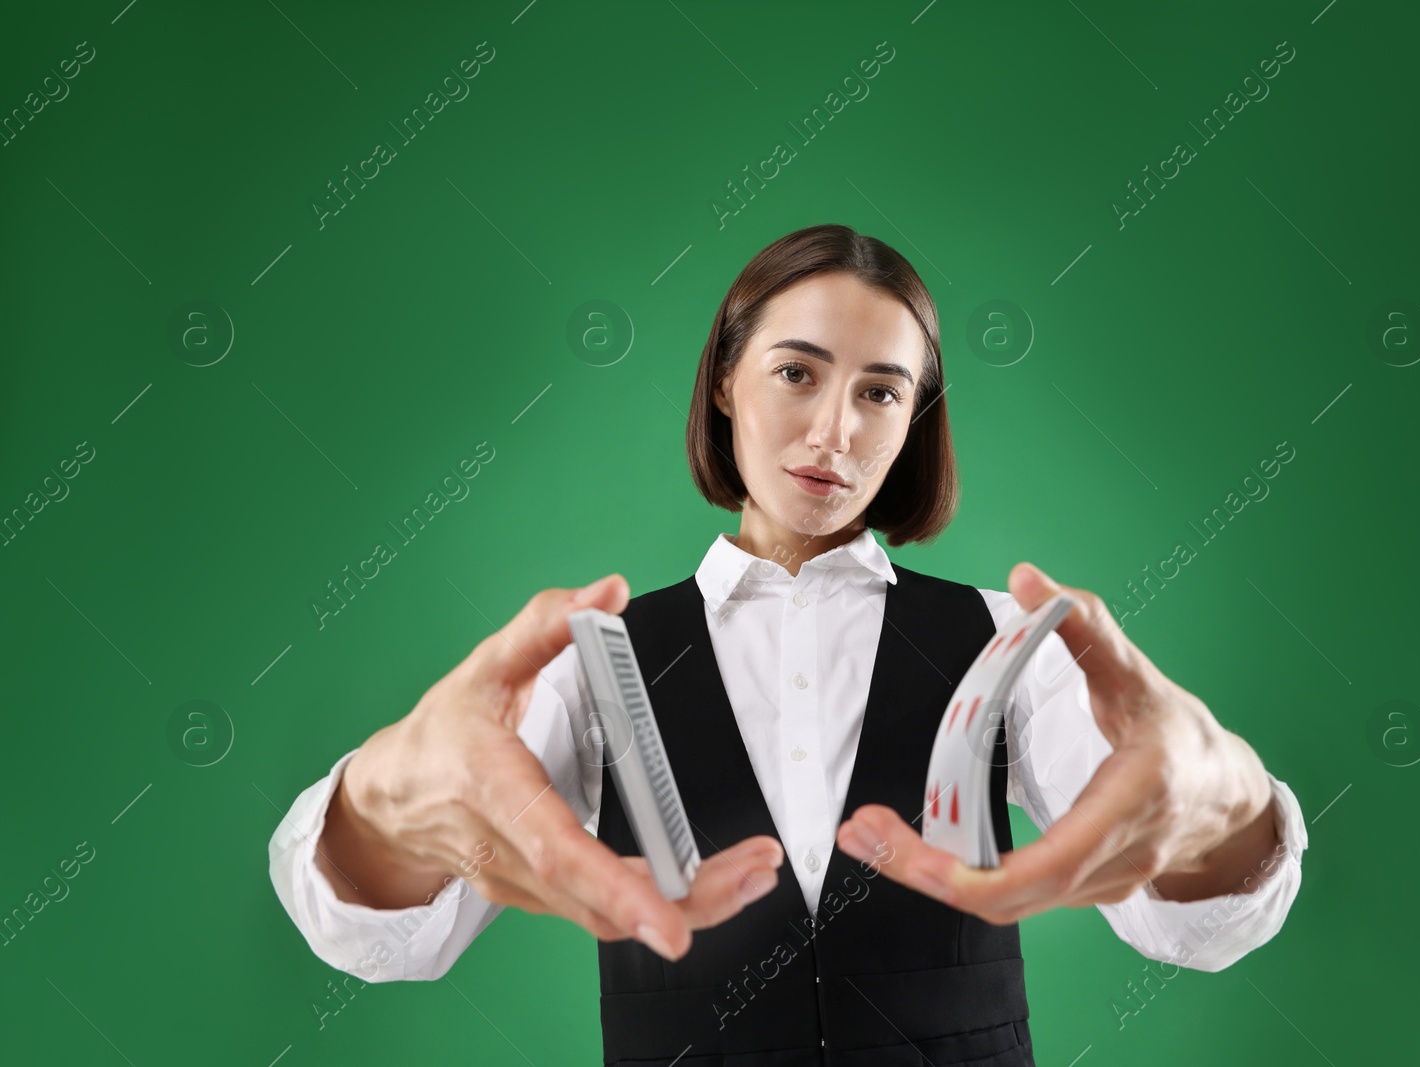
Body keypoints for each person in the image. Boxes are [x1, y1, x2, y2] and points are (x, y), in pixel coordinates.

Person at [268, 224, 1308, 1065]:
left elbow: (1195, 923)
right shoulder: (599, 658)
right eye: (797, 373)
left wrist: (1222, 803)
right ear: (724, 379)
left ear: (914, 421)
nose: (834, 434)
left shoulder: (1010, 643)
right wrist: (383, 802)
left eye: (880, 391)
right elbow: (382, 936)